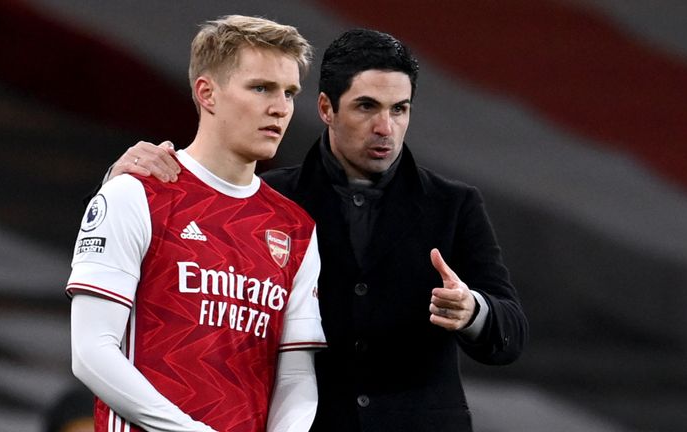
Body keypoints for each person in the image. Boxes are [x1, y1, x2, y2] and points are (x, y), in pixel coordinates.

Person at [111, 28, 528, 431]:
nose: (385, 127)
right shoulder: (271, 200)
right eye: (367, 107)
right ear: (326, 108)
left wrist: (473, 310)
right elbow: (166, 270)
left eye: (399, 109)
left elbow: (511, 333)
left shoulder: (454, 204)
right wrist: (120, 183)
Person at [66, 15, 326, 432]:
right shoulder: (135, 194)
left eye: (290, 93)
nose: (280, 107)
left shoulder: (296, 228)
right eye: (261, 88)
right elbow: (91, 352)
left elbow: (294, 374)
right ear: (207, 93)